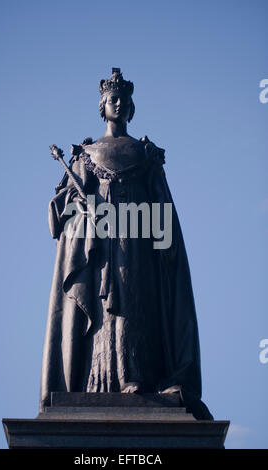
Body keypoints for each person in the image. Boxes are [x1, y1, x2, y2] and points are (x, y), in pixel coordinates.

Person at [40, 68, 212, 420]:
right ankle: (99, 382)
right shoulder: (86, 153)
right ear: (102, 107)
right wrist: (77, 207)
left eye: (123, 100)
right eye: (111, 99)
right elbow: (68, 205)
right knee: (104, 303)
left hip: (138, 237)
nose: (118, 104)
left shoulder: (144, 152)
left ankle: (137, 377)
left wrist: (164, 243)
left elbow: (161, 201)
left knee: (136, 302)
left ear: (131, 108)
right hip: (100, 241)